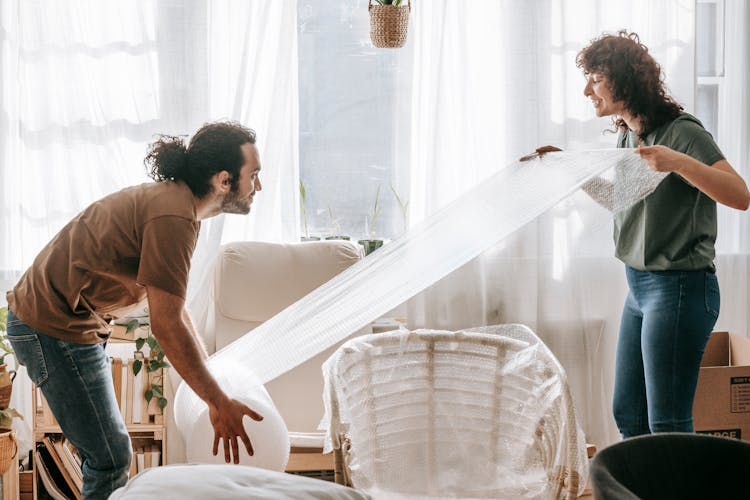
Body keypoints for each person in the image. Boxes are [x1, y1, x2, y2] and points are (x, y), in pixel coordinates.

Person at [5, 121, 264, 498]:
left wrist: (212, 379)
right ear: (225, 180)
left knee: (105, 450)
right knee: (111, 456)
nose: (259, 186)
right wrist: (217, 402)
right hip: (53, 326)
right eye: (254, 175)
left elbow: (174, 308)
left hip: (70, 324)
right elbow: (166, 324)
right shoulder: (173, 217)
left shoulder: (179, 208)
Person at [575, 31, 749, 438]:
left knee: (668, 423)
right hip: (639, 287)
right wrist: (570, 175)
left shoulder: (682, 131)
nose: (587, 90)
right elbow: (623, 201)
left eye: (595, 78)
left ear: (623, 80)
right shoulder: (627, 134)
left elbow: (740, 196)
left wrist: (678, 162)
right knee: (629, 415)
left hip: (680, 288)